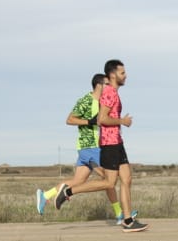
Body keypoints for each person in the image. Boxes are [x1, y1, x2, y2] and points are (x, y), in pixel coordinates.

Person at [49, 59, 148, 232]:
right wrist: (122, 121)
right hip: (109, 143)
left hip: (117, 142)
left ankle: (128, 221)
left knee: (127, 179)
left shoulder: (114, 93)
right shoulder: (109, 93)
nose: (126, 76)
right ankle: (68, 192)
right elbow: (102, 119)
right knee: (109, 183)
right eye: (122, 73)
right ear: (112, 75)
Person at [37, 73, 122, 223]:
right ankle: (120, 215)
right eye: (107, 85)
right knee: (108, 179)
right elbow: (69, 119)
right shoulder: (85, 101)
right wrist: (90, 121)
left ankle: (45, 196)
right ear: (99, 85)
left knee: (78, 181)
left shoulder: (104, 102)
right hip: (90, 146)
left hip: (92, 147)